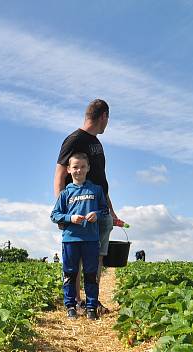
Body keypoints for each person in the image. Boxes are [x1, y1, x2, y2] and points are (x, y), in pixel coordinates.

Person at [53, 99, 117, 313]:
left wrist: (111, 209)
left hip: (99, 207)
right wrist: (62, 212)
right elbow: (60, 175)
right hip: (78, 211)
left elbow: (101, 180)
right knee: (77, 259)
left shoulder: (97, 142)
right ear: (103, 117)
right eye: (108, 120)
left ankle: (92, 300)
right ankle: (78, 301)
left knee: (96, 255)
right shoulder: (74, 139)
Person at [50, 153, 107, 320]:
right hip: (70, 240)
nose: (79, 170)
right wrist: (70, 218)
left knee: (90, 274)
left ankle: (91, 307)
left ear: (88, 168)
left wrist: (96, 214)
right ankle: (70, 306)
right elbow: (54, 215)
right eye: (75, 167)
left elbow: (104, 211)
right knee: (69, 273)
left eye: (82, 166)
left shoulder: (96, 190)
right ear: (68, 170)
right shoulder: (65, 194)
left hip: (90, 240)